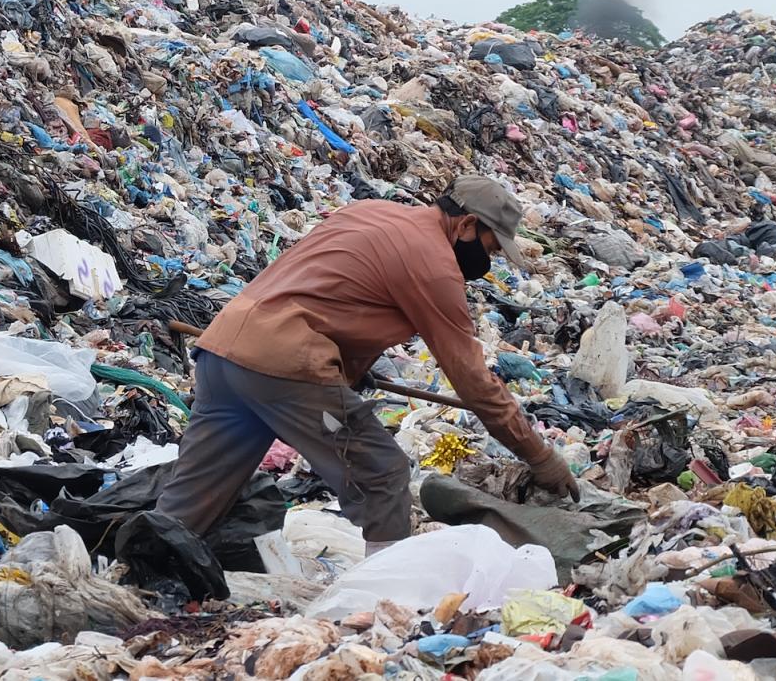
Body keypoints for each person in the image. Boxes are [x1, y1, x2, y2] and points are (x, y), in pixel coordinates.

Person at [153, 175, 579, 551]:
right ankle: (381, 607)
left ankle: (145, 573)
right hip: (284, 369)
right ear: (467, 225)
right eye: (489, 247)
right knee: (382, 475)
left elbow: (333, 290)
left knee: (195, 493)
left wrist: (349, 369)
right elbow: (472, 380)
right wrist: (539, 456)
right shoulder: (434, 265)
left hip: (224, 351)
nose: (487, 262)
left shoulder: (370, 211)